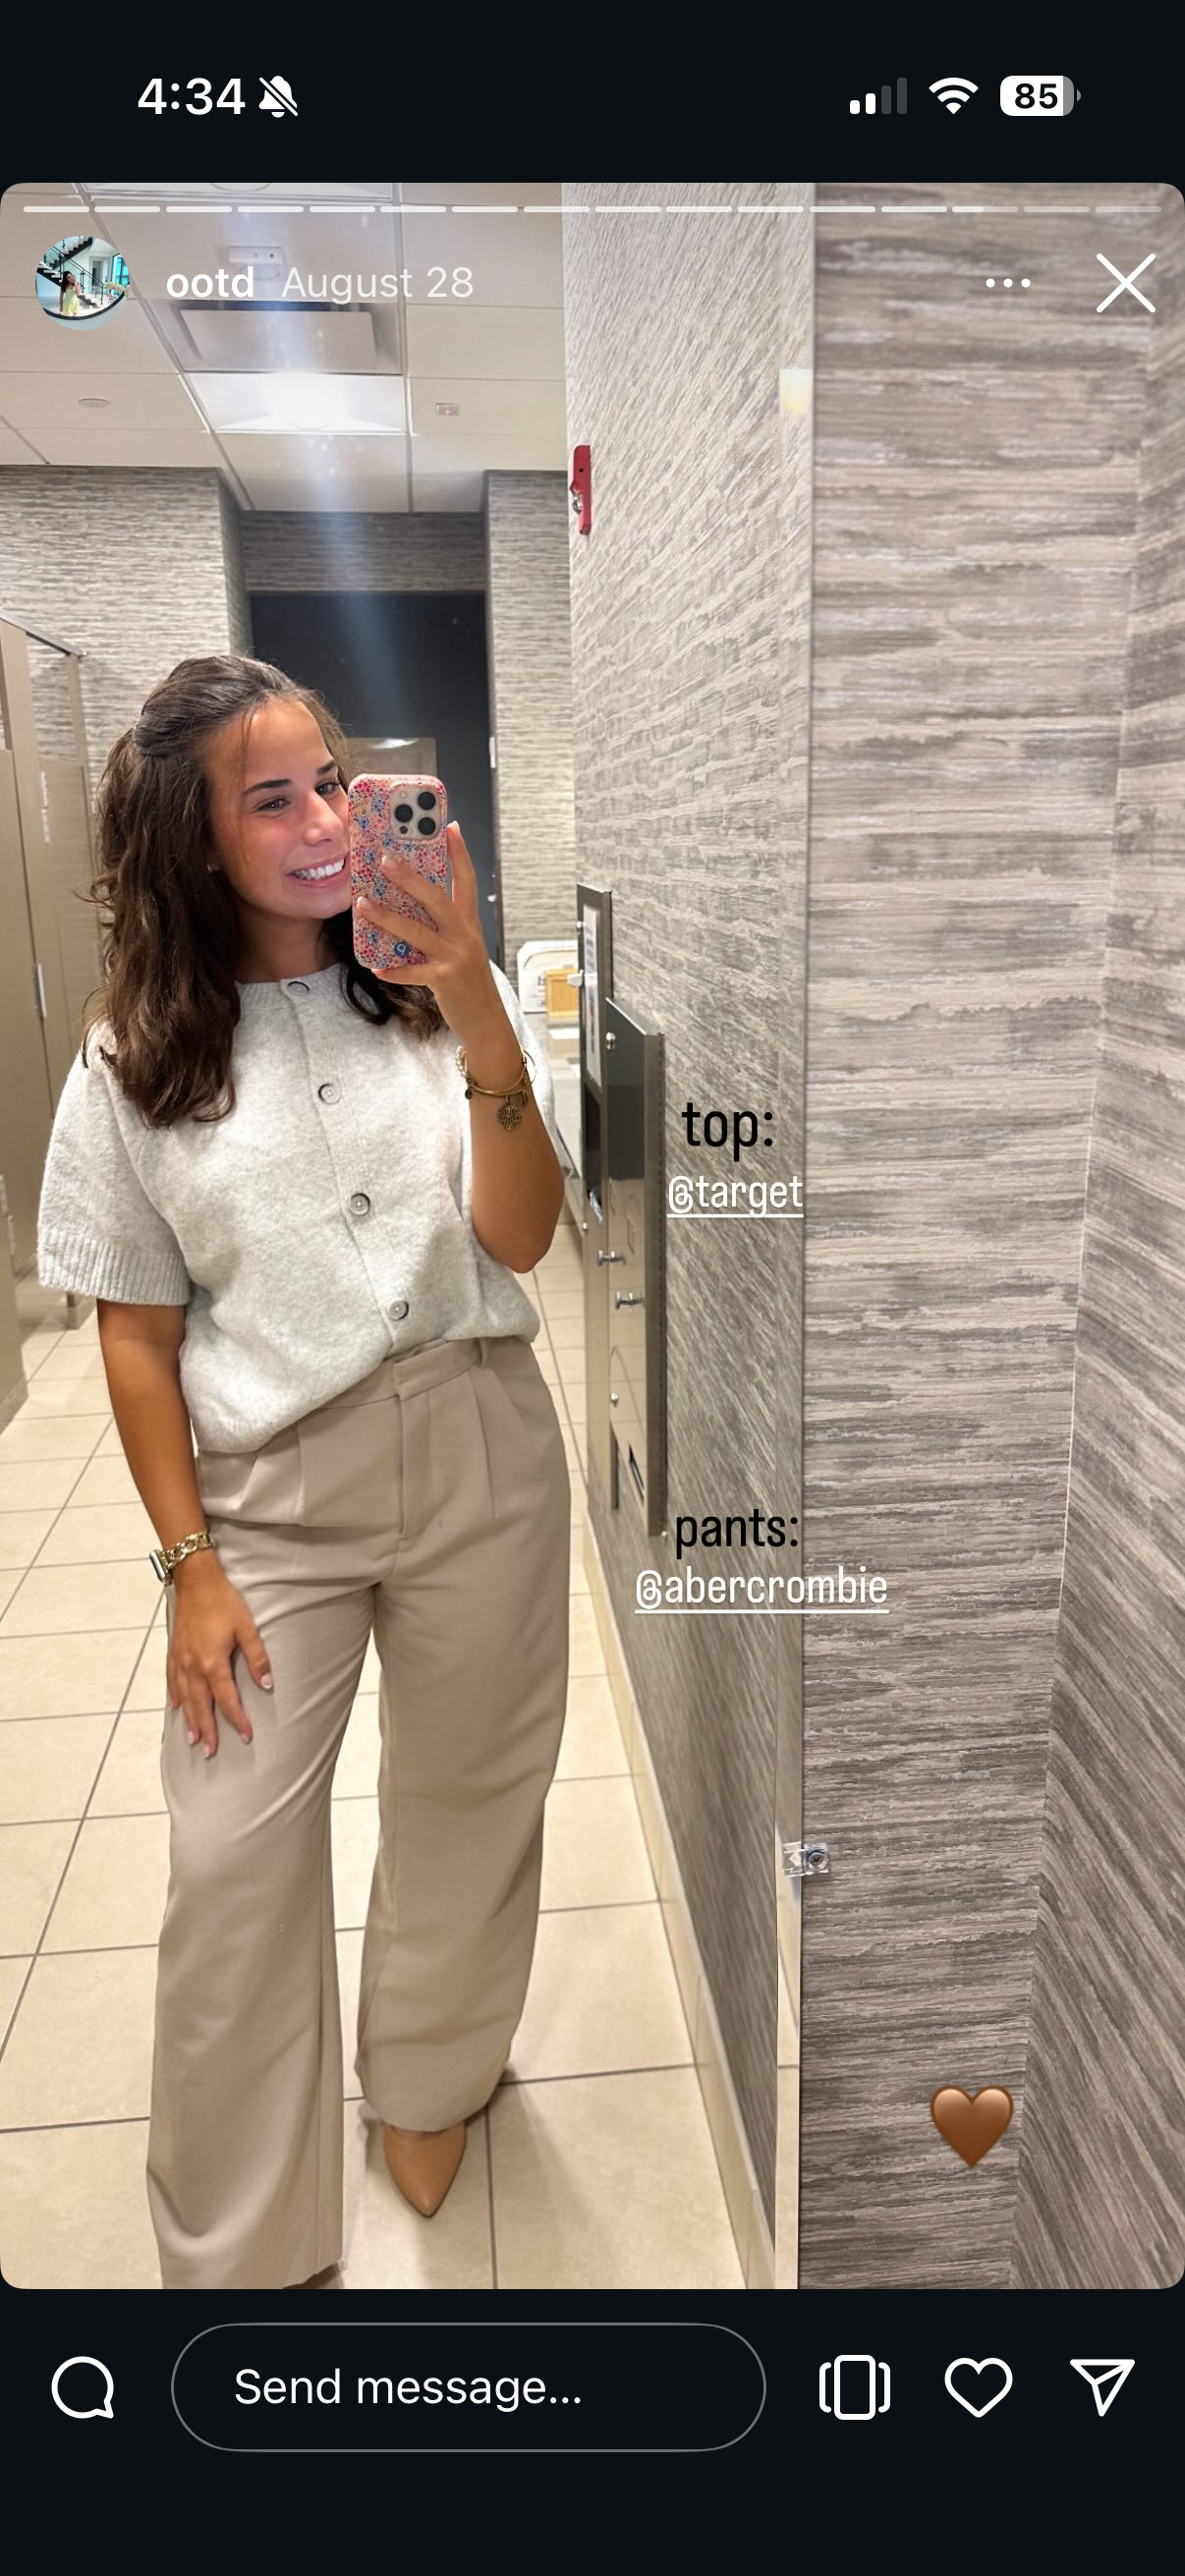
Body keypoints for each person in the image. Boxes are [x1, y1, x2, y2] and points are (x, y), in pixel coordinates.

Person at [36, 653, 572, 2289]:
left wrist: (471, 988)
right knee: (229, 1857)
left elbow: (522, 1238)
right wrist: (187, 1567)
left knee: (471, 1793)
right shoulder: (133, 1059)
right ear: (192, 842)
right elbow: (137, 1341)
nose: (328, 820)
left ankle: (431, 2073)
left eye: (332, 782)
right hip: (271, 1502)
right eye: (272, 799)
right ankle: (238, 2236)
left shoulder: (426, 992)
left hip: (481, 1448)